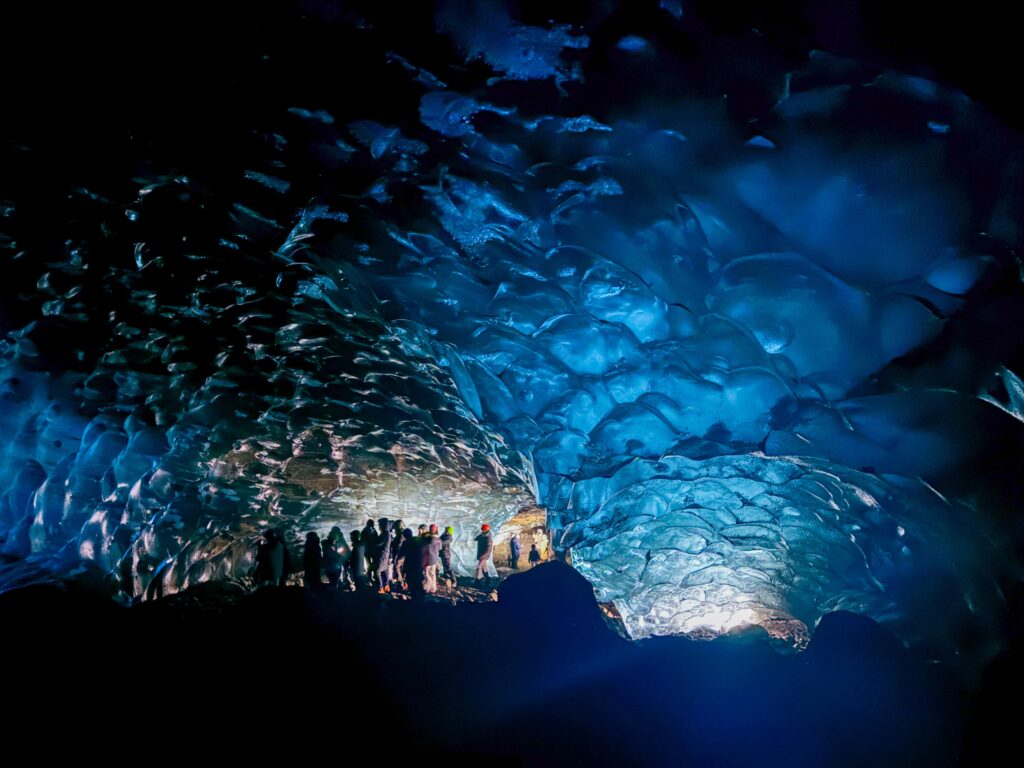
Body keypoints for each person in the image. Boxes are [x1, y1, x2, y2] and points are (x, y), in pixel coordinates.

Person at [400, 527, 425, 600]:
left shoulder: (405, 543)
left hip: (410, 565)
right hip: (419, 563)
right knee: (419, 581)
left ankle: (414, 597)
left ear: (404, 536)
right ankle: (421, 596)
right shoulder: (418, 539)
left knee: (411, 581)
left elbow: (402, 554)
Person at [376, 517, 392, 592]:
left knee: (377, 571)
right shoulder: (387, 533)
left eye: (379, 525)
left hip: (382, 555)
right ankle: (386, 586)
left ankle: (381, 588)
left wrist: (373, 540)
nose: (378, 526)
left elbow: (378, 544)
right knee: (385, 570)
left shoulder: (385, 533)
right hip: (385, 554)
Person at [425, 524, 442, 594]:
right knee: (433, 574)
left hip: (428, 559)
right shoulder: (439, 540)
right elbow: (440, 548)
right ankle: (433, 588)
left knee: (427, 574)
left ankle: (428, 588)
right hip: (435, 559)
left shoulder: (428, 539)